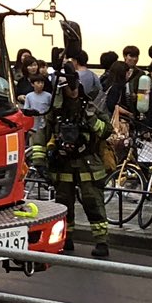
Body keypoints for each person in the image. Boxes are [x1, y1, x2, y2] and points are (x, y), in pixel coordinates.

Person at [45, 70, 112, 257]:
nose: (72, 92)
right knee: (63, 204)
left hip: (87, 163)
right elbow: (42, 134)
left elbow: (106, 131)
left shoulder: (90, 107)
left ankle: (101, 242)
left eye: (74, 87)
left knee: (93, 203)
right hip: (63, 162)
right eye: (67, 88)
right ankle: (66, 238)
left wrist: (91, 119)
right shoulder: (55, 111)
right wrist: (41, 159)